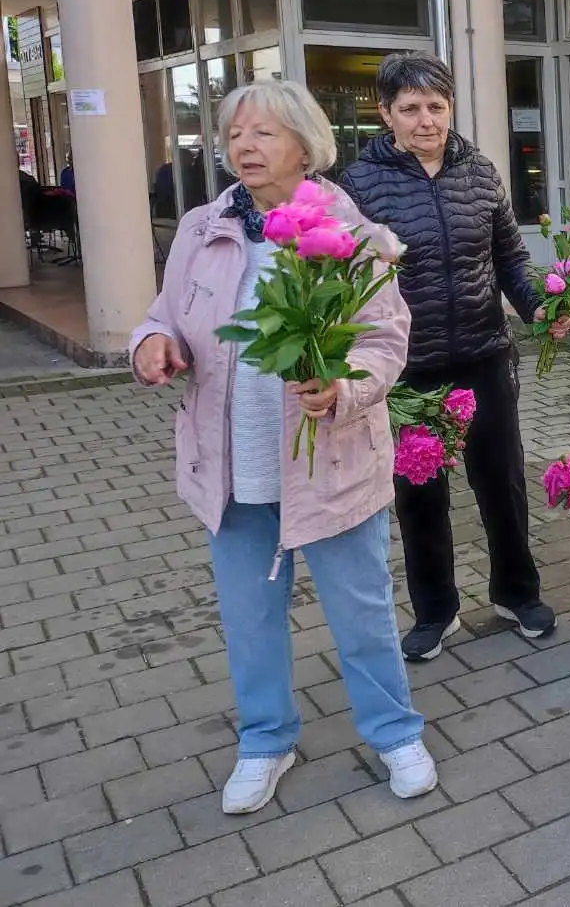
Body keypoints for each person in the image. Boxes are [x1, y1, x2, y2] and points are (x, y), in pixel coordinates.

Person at [130, 80, 435, 815]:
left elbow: (385, 341)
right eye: (236, 133)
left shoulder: (353, 234)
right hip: (232, 466)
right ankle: (266, 740)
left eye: (263, 132)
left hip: (328, 461)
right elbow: (161, 312)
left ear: (306, 143)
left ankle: (394, 731)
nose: (244, 146)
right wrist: (152, 343)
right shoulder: (206, 228)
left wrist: (344, 389)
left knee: (361, 613)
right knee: (249, 619)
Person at [340, 52, 570, 662]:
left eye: (436, 106)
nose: (425, 120)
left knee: (503, 483)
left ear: (450, 108)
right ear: (386, 114)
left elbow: (510, 259)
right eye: (410, 109)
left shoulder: (481, 173)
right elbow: (343, 279)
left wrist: (540, 307)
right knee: (420, 495)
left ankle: (517, 594)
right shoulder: (358, 186)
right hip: (408, 368)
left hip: (484, 354)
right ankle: (436, 611)